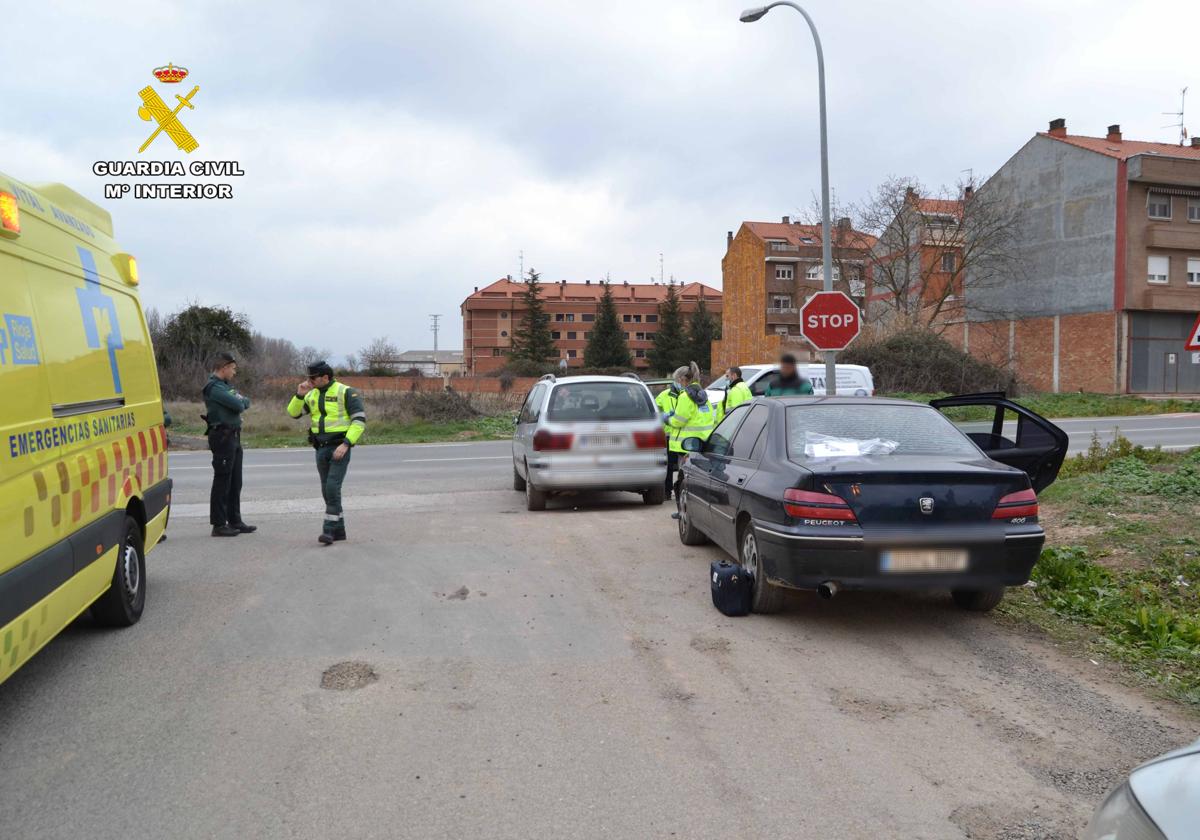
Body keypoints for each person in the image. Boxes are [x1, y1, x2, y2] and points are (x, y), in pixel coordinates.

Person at [287, 361, 366, 545]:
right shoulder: (312, 394)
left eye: (313, 378)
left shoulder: (345, 392)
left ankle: (328, 531)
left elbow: (359, 421)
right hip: (320, 448)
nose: (310, 381)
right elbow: (293, 413)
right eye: (308, 377)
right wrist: (299, 394)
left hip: (339, 447)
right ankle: (340, 530)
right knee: (326, 489)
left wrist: (346, 444)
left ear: (325, 377)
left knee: (332, 487)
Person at [203, 351, 256, 537]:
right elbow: (240, 405)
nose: (234, 372)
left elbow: (246, 401)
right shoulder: (214, 387)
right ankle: (218, 524)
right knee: (223, 481)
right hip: (222, 437)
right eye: (233, 368)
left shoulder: (225, 386)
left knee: (235, 481)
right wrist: (239, 401)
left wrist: (240, 400)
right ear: (224, 368)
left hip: (234, 436)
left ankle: (235, 520)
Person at [665, 361, 719, 495]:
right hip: (702, 442)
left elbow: (679, 421)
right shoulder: (702, 394)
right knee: (697, 478)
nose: (678, 383)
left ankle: (682, 509)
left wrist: (667, 419)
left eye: (678, 380)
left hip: (686, 445)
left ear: (683, 379)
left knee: (684, 479)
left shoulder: (685, 396)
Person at [655, 376, 683, 497]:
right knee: (669, 465)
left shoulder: (686, 395)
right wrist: (664, 416)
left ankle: (682, 490)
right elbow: (655, 412)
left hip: (683, 435)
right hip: (668, 435)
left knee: (683, 465)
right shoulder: (664, 395)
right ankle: (667, 491)